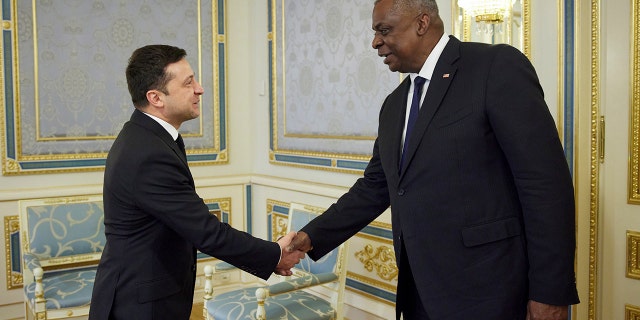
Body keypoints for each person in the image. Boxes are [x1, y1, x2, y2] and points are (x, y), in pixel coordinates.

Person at [287, 0, 579, 319]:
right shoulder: (395, 105)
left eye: (384, 30)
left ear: (422, 24)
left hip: (490, 292)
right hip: (419, 293)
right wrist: (310, 236)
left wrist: (549, 294)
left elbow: (545, 187)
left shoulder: (494, 67)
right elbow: (376, 187)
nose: (375, 42)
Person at [89, 44, 304, 320]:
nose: (200, 89)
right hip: (140, 303)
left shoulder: (152, 138)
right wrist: (274, 254)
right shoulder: (147, 153)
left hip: (149, 293)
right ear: (156, 97)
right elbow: (206, 232)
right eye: (188, 83)